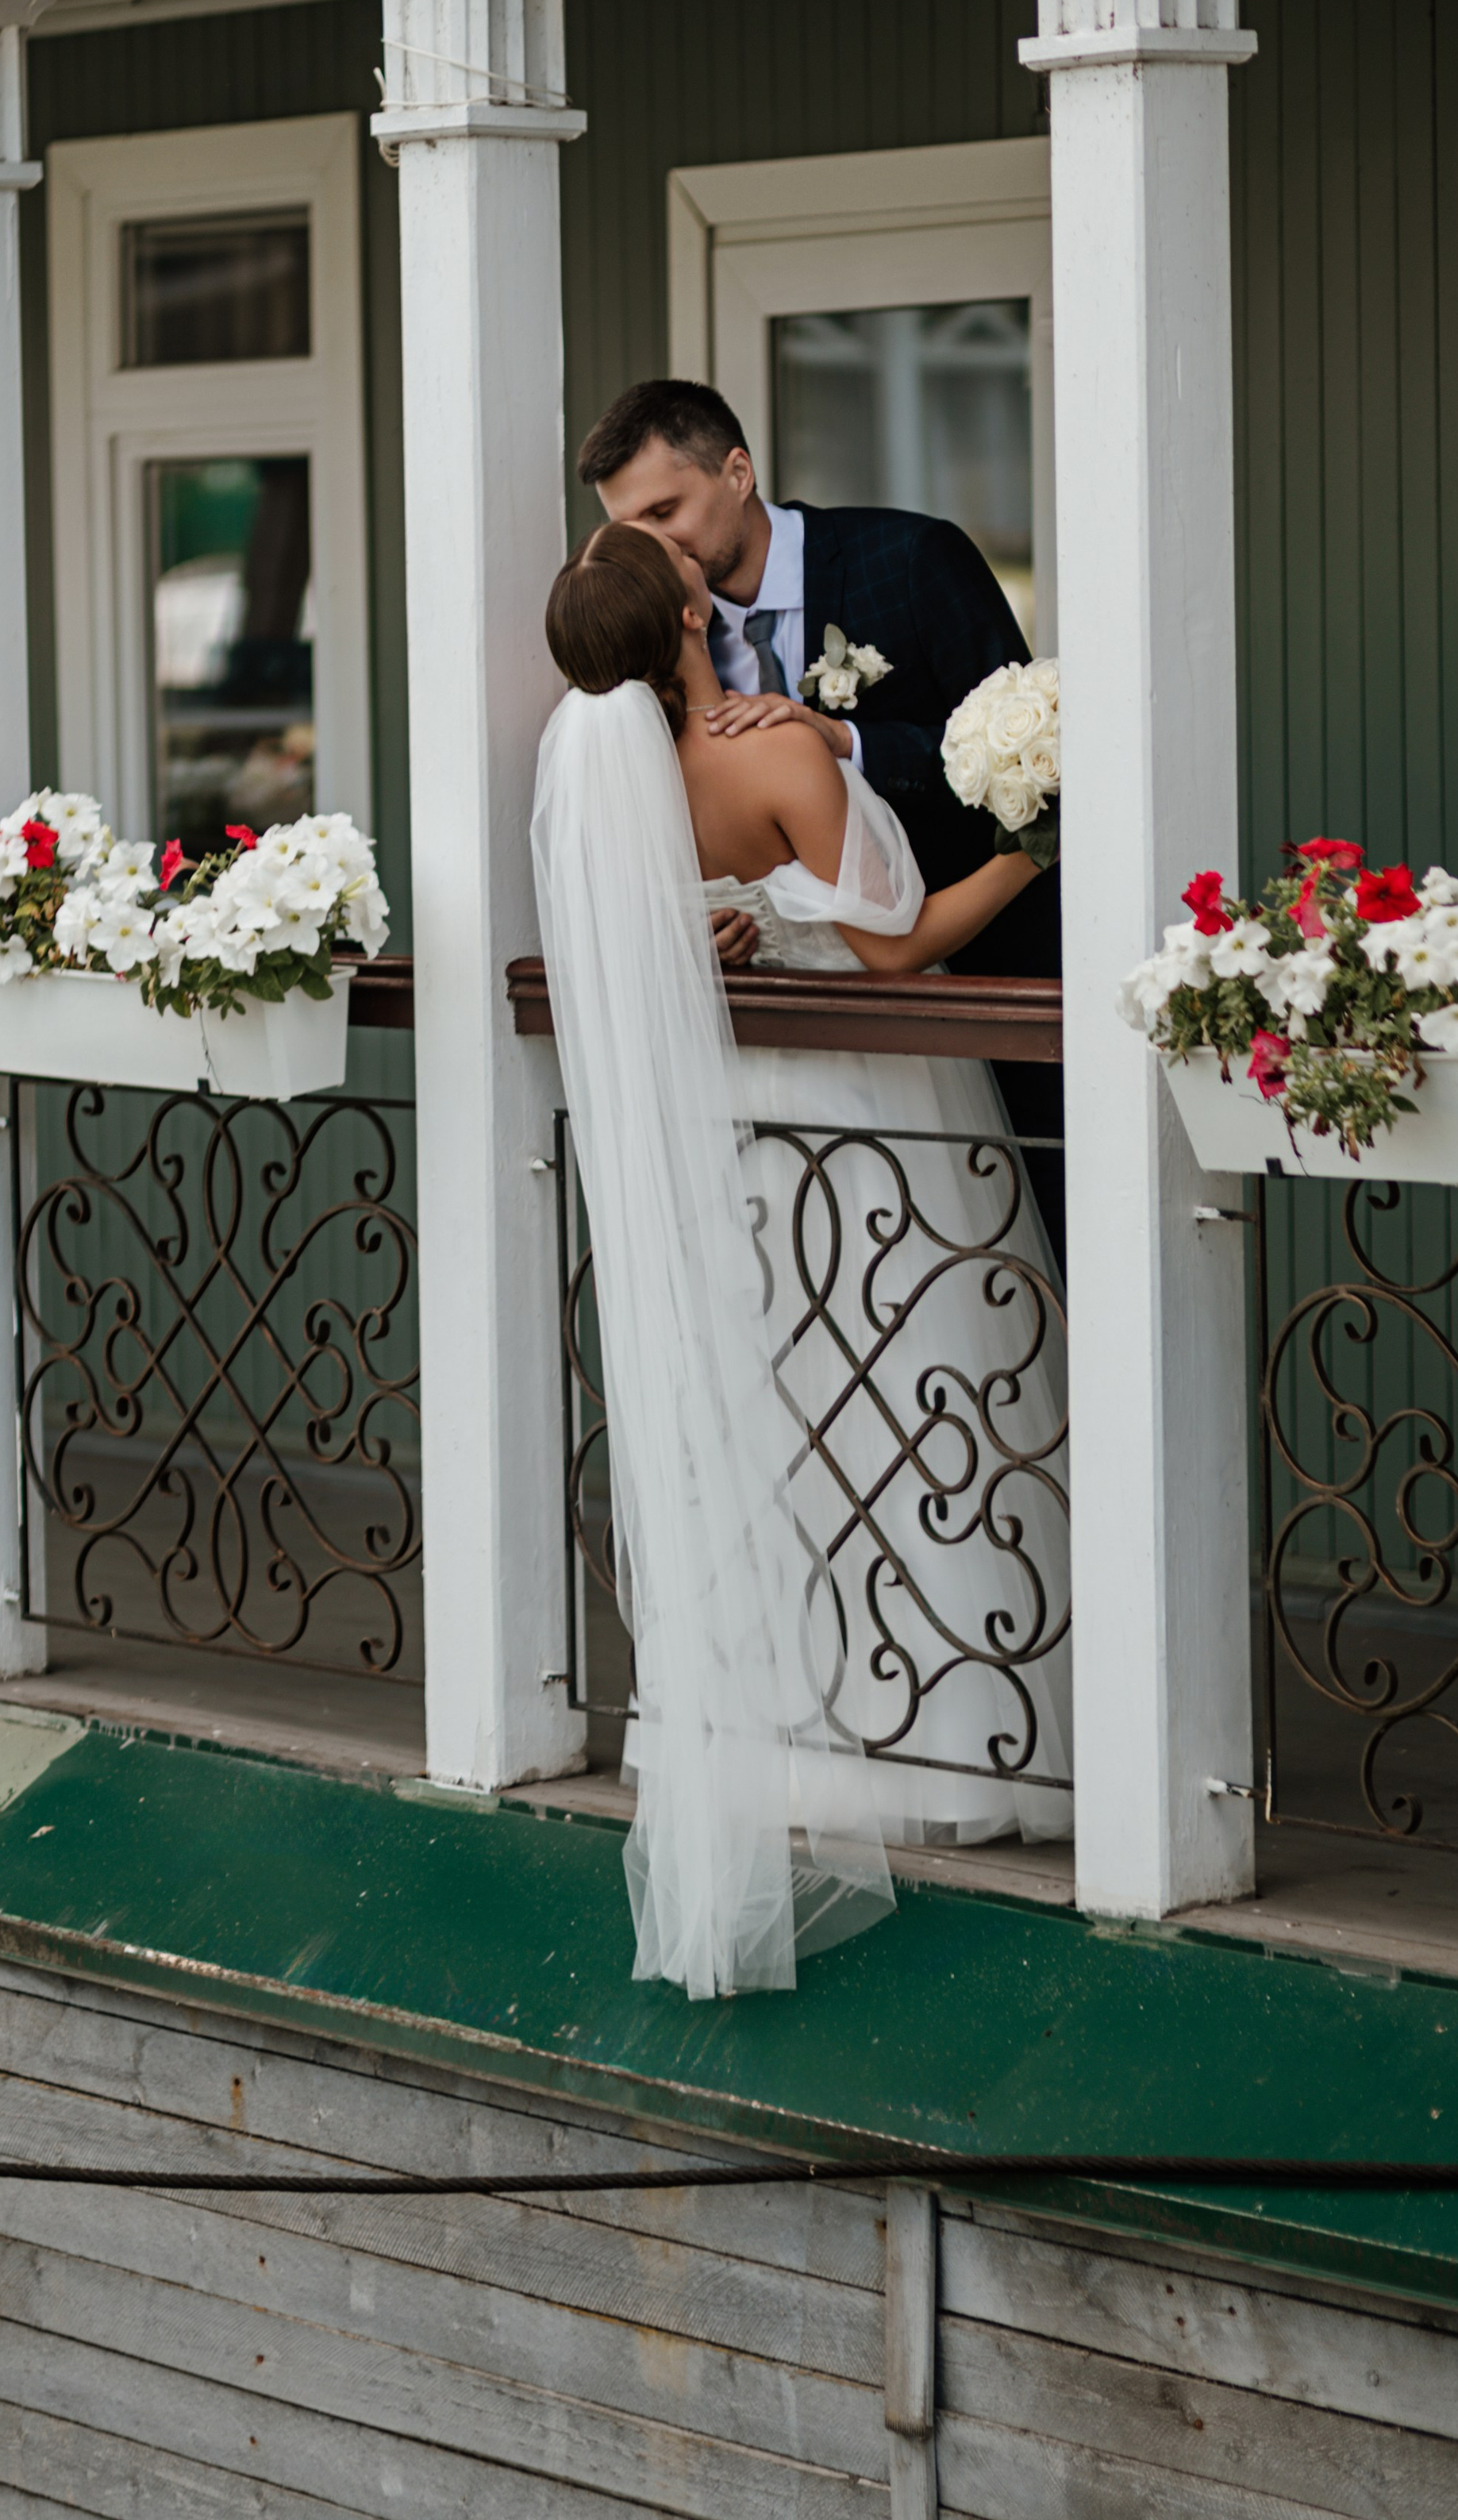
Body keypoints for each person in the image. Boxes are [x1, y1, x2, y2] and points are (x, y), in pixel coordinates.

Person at [533, 520, 1071, 2004]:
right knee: (933, 1401)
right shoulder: (770, 759)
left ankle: (815, 1731)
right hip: (886, 1122)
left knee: (811, 1433)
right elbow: (899, 951)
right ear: (692, 619)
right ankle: (964, 1745)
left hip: (761, 1156)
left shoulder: (612, 787)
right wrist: (1039, 846)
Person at [580, 377, 1065, 1260]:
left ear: (736, 469)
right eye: (633, 527)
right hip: (794, 1057)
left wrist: (844, 736)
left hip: (992, 988)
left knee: (1043, 1257)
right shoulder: (653, 655)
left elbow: (1031, 754)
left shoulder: (912, 558)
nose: (657, 543)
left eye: (666, 508)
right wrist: (705, 928)